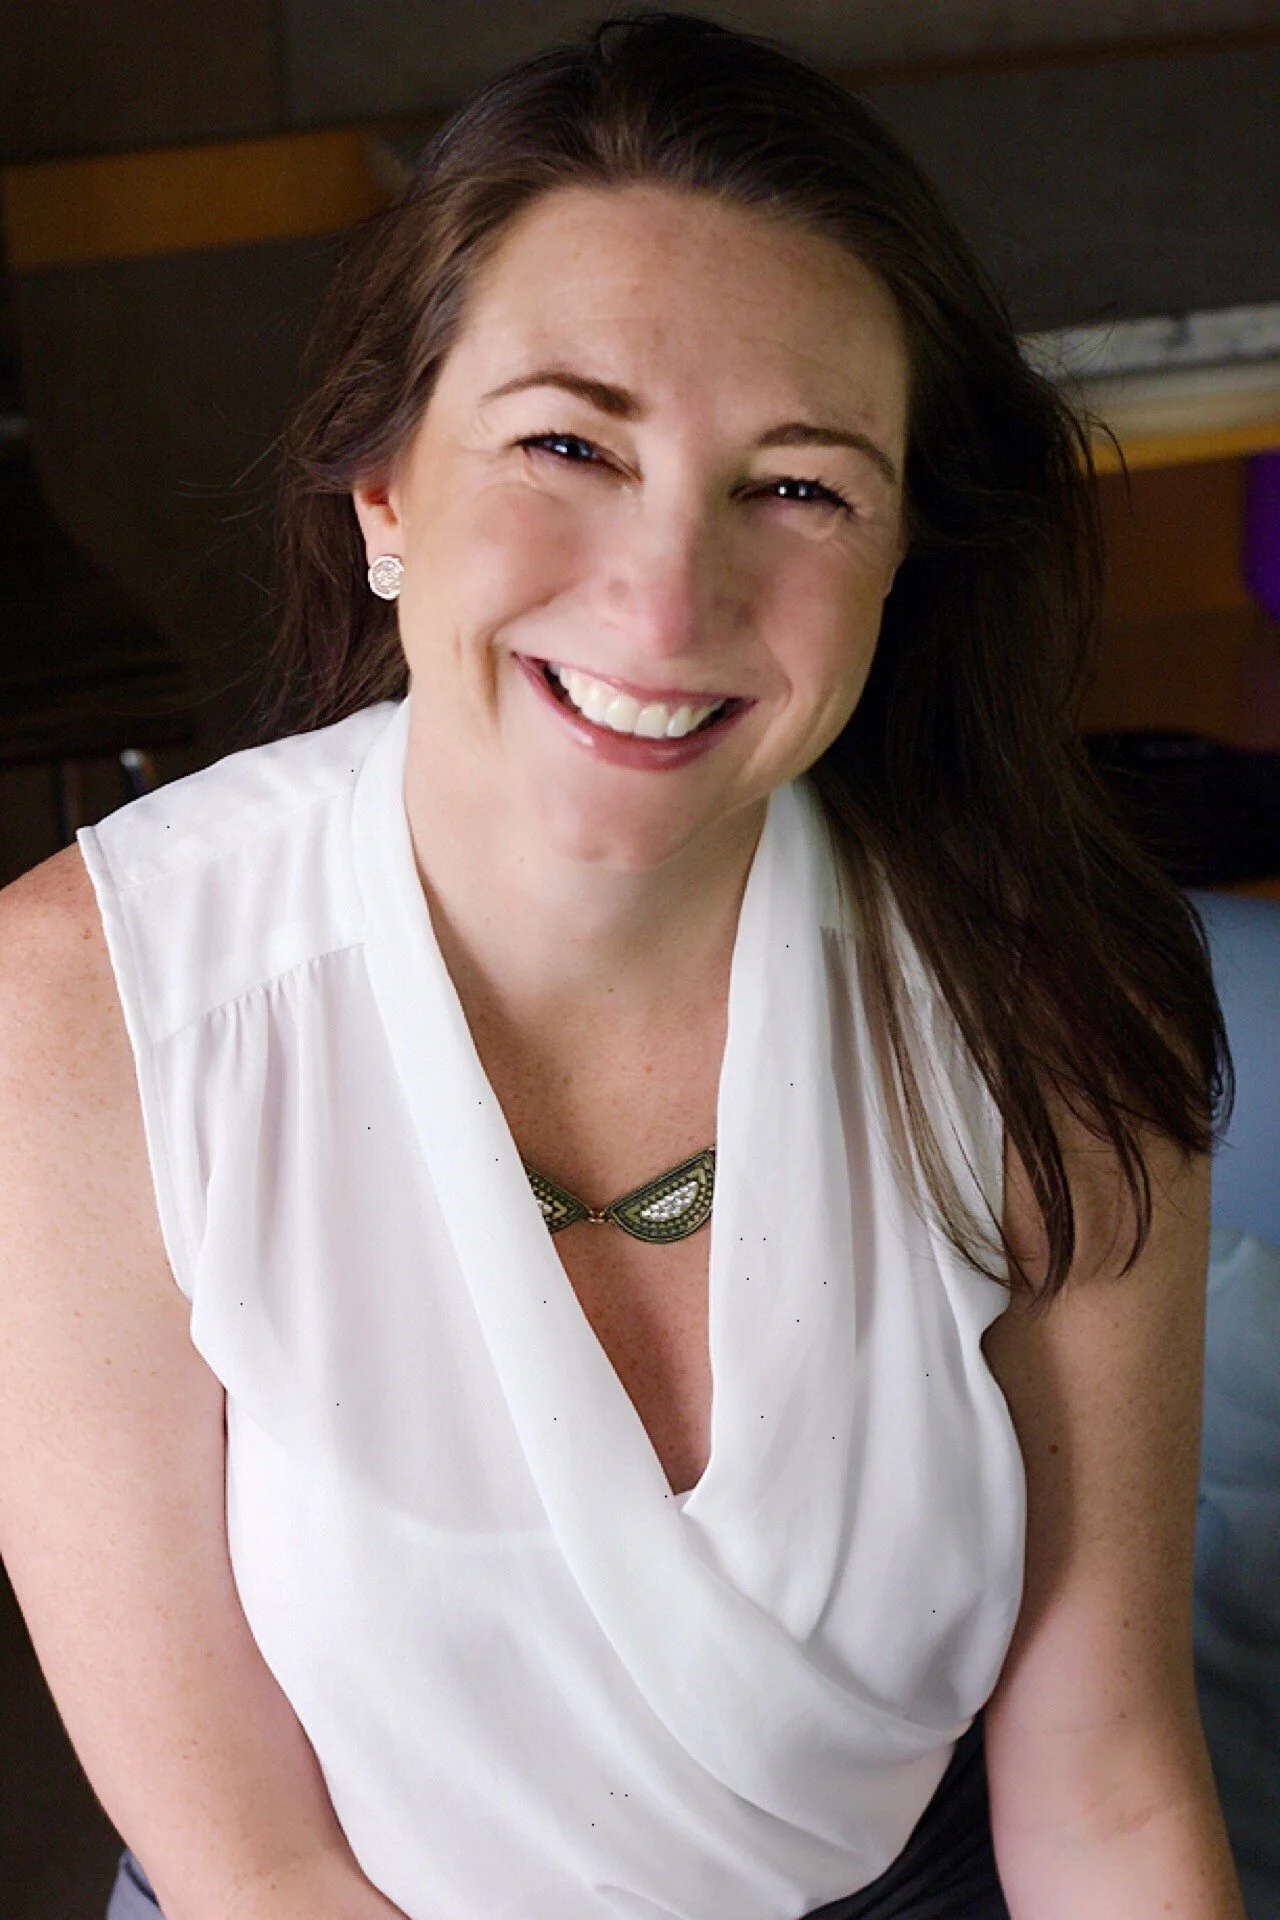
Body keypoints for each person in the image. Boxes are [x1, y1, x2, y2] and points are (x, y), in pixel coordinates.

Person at [0, 12, 1248, 1919]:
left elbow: (1103, 1791)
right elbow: (253, 1861)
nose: (669, 603)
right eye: (569, 443)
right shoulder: (79, 1010)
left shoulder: (1061, 998)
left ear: (908, 550)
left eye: (801, 484)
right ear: (387, 493)